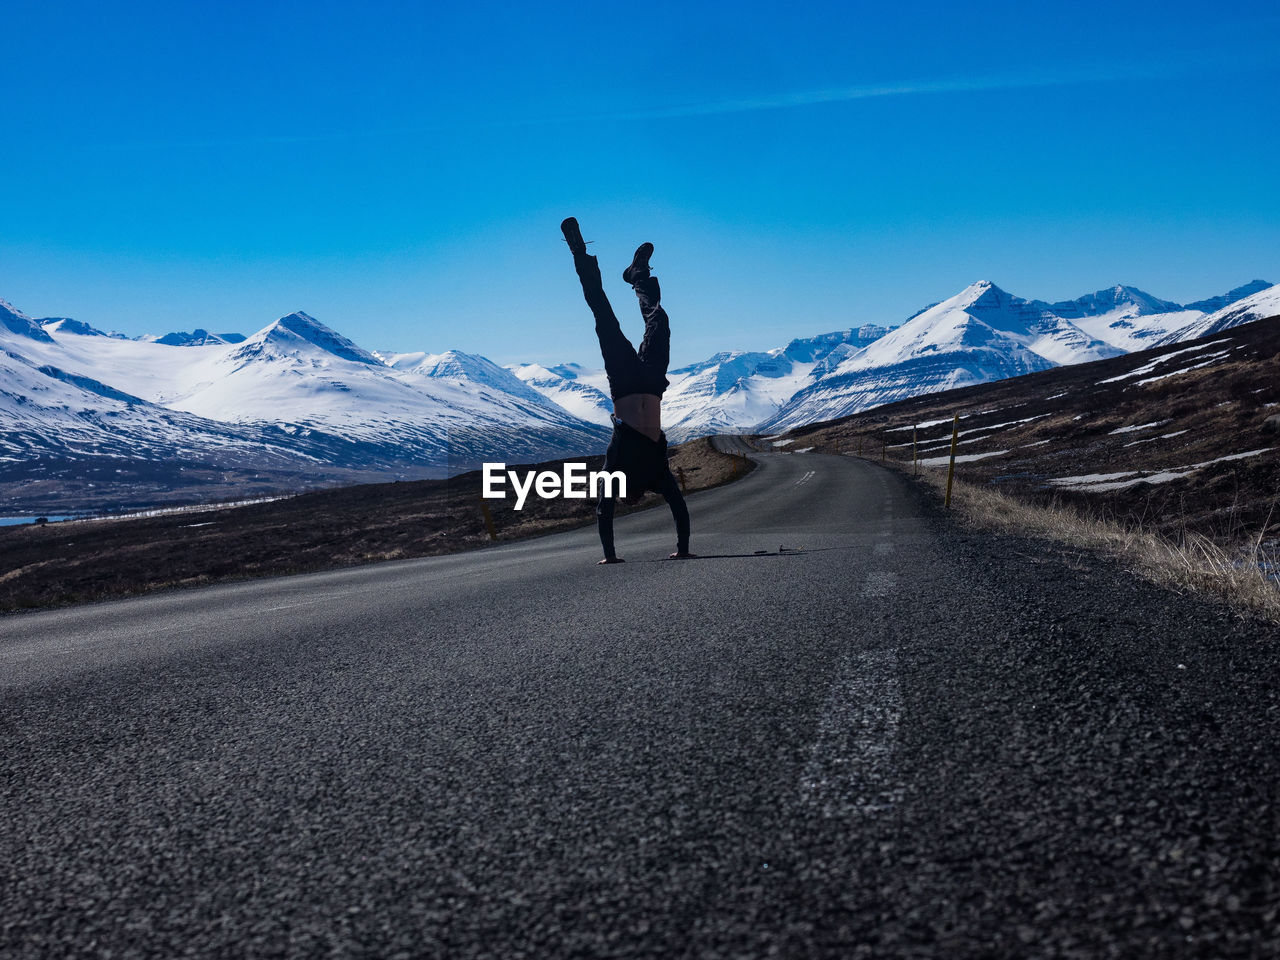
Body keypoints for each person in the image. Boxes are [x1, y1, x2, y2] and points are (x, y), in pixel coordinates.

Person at [561, 216, 694, 564]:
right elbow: (678, 507)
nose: (628, 500)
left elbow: (603, 511)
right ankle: (638, 276)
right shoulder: (656, 475)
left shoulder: (614, 469)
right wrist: (682, 548)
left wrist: (610, 555)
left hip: (622, 385)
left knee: (603, 316)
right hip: (652, 384)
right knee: (660, 321)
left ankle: (578, 252)